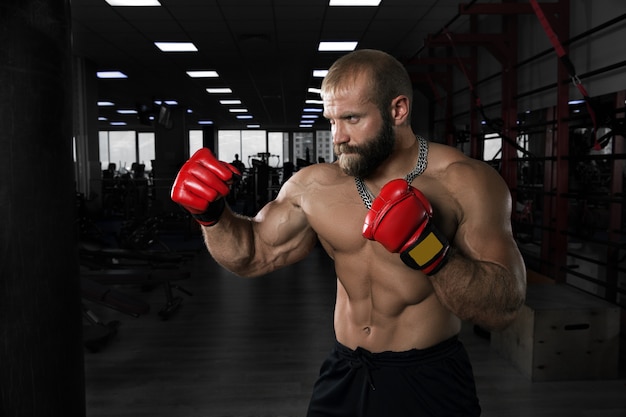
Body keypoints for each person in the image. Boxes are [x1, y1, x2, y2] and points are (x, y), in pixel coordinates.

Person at [171, 49, 526, 417]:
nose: (337, 137)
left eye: (352, 118)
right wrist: (213, 216)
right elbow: (250, 255)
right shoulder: (314, 187)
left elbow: (504, 307)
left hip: (430, 378)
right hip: (345, 372)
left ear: (398, 110)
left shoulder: (464, 182)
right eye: (332, 120)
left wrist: (427, 248)